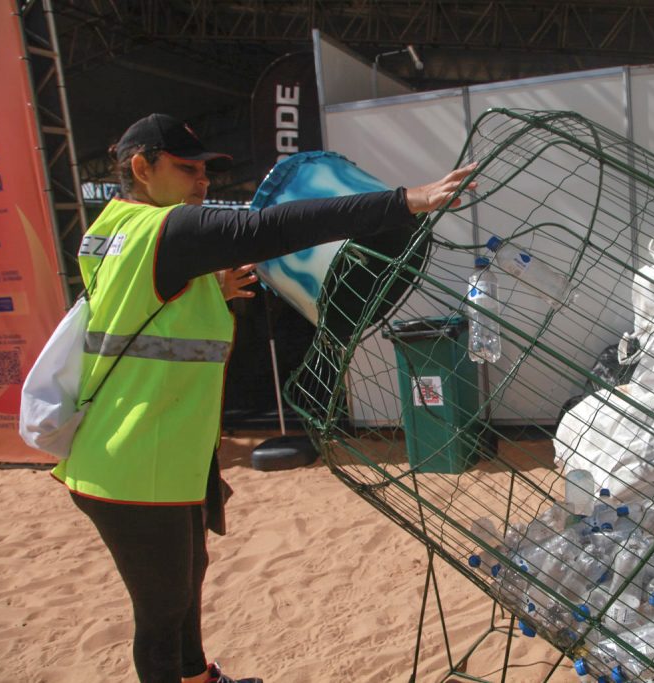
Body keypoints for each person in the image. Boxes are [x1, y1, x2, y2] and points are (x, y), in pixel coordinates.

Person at [50, 113, 476, 683]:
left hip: (161, 452)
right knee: (161, 613)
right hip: (133, 462)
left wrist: (204, 289)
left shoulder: (115, 228)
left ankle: (199, 677)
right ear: (141, 168)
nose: (202, 181)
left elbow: (133, 301)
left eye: (205, 170)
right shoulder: (166, 229)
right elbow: (271, 228)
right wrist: (404, 202)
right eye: (186, 168)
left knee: (188, 578)